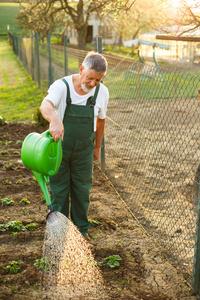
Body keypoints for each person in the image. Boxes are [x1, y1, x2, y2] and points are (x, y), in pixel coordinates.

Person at [40, 51, 109, 240]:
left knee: (82, 190)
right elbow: (45, 105)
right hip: (59, 149)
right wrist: (54, 118)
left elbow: (101, 121)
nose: (93, 84)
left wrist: (97, 147)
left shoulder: (102, 92)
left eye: (98, 80)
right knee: (59, 190)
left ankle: (81, 230)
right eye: (90, 78)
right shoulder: (62, 86)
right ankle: (58, 232)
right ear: (81, 70)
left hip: (84, 151)